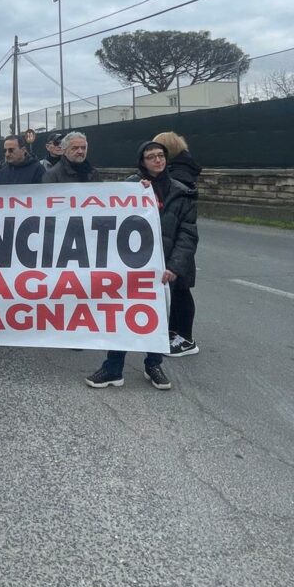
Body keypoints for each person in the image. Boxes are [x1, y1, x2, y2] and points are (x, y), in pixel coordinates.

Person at [86, 140, 197, 392]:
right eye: (151, 157)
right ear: (142, 161)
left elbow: (187, 234)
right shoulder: (130, 186)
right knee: (123, 314)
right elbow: (108, 218)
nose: (157, 160)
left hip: (162, 269)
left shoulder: (182, 191)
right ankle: (113, 368)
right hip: (130, 265)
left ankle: (153, 364)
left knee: (156, 317)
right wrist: (134, 192)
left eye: (161, 156)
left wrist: (174, 266)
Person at [151, 131, 202, 356]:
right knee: (177, 291)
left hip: (175, 247)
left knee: (180, 292)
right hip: (170, 243)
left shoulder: (178, 177)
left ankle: (185, 339)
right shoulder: (183, 171)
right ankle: (175, 332)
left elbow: (180, 219)